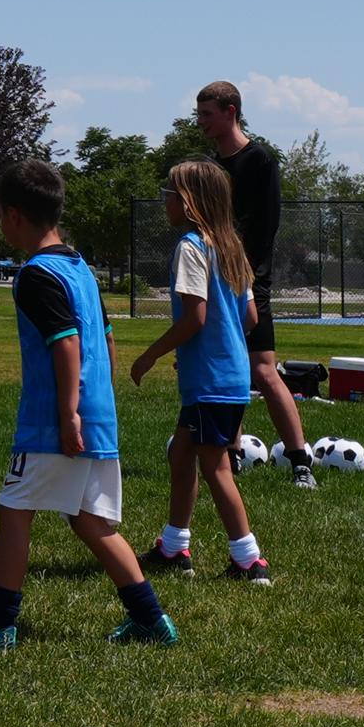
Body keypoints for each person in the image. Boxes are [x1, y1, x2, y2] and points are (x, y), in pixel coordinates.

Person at [0, 157, 177, 650]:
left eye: (0, 216)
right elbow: (106, 339)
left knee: (14, 510)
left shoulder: (36, 275)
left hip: (54, 423)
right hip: (99, 417)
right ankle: (151, 620)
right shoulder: (80, 268)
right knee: (90, 521)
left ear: (15, 216)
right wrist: (96, 405)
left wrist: (68, 413)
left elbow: (66, 342)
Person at [120, 158, 273, 585]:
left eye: (167, 194)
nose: (163, 201)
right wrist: (215, 350)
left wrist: (149, 355)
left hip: (209, 381)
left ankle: (249, 560)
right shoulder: (230, 247)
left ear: (188, 202)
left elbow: (195, 318)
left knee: (216, 467)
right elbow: (251, 318)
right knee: (181, 452)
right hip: (231, 377)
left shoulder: (191, 246)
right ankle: (173, 547)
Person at [194, 81, 319, 481]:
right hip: (215, 281)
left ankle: (301, 461)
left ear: (231, 111)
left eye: (207, 114)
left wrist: (245, 276)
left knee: (263, 370)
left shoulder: (259, 159)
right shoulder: (211, 168)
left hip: (247, 280)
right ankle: (230, 456)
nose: (201, 122)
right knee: (225, 370)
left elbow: (265, 227)